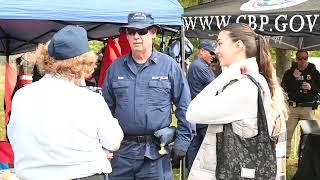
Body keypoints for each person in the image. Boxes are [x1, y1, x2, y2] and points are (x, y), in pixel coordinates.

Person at [7, 25, 123, 180]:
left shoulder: (21, 96)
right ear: (83, 64)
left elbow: (16, 137)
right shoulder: (90, 100)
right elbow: (113, 141)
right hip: (82, 174)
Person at [186, 23, 288, 180]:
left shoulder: (244, 88)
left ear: (238, 45)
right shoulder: (250, 81)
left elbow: (192, 112)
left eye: (220, 43)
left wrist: (226, 75)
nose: (216, 50)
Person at [102, 12, 195, 180]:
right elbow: (104, 110)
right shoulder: (116, 68)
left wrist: (182, 142)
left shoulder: (169, 66)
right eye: (131, 32)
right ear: (127, 36)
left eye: (142, 31)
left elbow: (185, 106)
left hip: (155, 153)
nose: (136, 36)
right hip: (122, 153)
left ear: (153, 33)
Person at [281, 49, 320, 158]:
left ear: (307, 58)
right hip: (292, 108)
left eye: (305, 58)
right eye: (300, 58)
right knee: (286, 134)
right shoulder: (290, 72)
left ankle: (306, 161)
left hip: (308, 109)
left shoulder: (313, 71)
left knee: (309, 136)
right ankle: (284, 159)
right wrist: (293, 77)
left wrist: (312, 87)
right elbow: (283, 87)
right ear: (296, 59)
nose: (302, 61)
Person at [186, 40, 216, 170]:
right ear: (202, 51)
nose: (213, 56)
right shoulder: (200, 66)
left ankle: (192, 173)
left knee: (194, 147)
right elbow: (217, 86)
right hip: (204, 115)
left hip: (196, 113)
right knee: (207, 149)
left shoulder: (196, 65)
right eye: (211, 52)